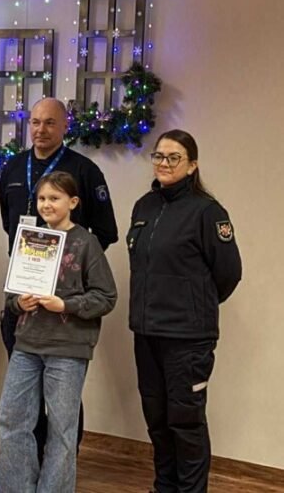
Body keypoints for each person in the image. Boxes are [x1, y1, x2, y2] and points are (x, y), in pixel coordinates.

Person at [0, 97, 118, 455]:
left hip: (65, 307)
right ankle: (27, 459)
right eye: (35, 122)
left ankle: (61, 462)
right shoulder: (13, 168)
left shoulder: (84, 170)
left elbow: (105, 231)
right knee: (22, 392)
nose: (41, 129)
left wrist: (69, 266)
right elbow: (8, 224)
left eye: (50, 122)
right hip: (24, 296)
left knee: (63, 398)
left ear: (65, 126)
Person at [127, 129, 242, 493]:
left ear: (192, 165)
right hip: (146, 333)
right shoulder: (144, 206)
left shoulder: (207, 212)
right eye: (159, 156)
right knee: (157, 421)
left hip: (187, 339)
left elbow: (228, 273)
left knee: (185, 423)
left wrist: (192, 305)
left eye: (173, 157)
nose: (164, 163)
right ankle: (164, 488)